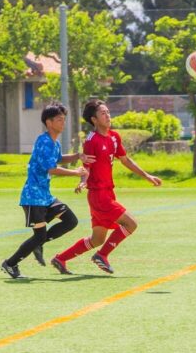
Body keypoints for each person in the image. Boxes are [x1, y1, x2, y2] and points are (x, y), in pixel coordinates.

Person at [51, 99, 162, 275]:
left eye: (108, 112)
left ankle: (61, 259)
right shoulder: (91, 140)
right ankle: (102, 255)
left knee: (97, 239)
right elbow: (87, 165)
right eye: (103, 113)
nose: (108, 115)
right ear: (94, 119)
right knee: (131, 224)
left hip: (108, 194)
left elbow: (125, 160)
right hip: (99, 196)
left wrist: (147, 175)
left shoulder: (114, 137)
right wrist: (83, 180)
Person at [0, 103, 90, 280]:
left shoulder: (54, 143)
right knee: (39, 236)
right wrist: (76, 172)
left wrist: (77, 156)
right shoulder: (44, 141)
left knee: (70, 221)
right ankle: (10, 264)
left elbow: (58, 159)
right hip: (33, 198)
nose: (63, 123)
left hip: (45, 197)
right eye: (59, 120)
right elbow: (52, 168)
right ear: (49, 122)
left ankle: (38, 243)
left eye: (64, 119)